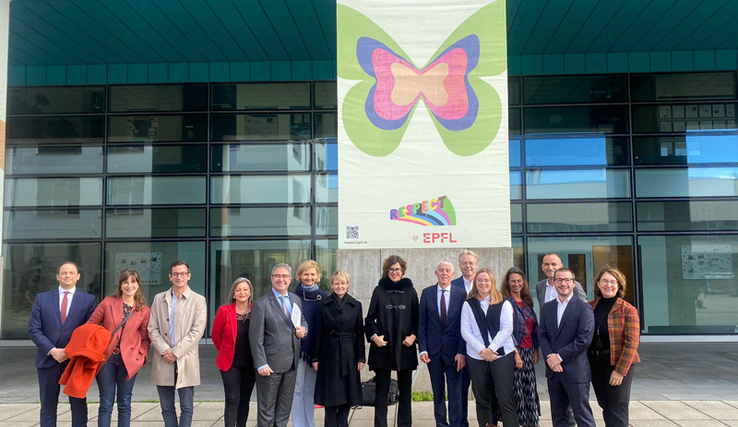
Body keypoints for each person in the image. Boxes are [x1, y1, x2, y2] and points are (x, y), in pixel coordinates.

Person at [28, 261, 96, 427]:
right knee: (48, 405)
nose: (67, 275)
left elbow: (89, 330)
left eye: (71, 273)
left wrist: (68, 351)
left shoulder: (88, 300)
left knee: (78, 404)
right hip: (48, 361)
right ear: (57, 276)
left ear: (78, 277)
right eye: (64, 273)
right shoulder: (42, 299)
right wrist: (52, 350)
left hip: (74, 361)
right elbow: (34, 329)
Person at [86, 268, 151, 427]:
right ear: (121, 285)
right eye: (125, 282)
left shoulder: (143, 310)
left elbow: (145, 338)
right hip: (106, 358)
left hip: (129, 360)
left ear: (138, 284)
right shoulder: (108, 303)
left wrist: (142, 355)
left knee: (124, 403)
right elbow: (90, 326)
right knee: (106, 403)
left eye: (133, 282)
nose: (129, 285)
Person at [148, 261, 208, 427]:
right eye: (175, 273)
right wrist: (166, 350)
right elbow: (152, 328)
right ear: (170, 276)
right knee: (166, 407)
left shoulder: (198, 300)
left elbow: (197, 331)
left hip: (186, 359)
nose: (179, 276)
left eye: (182, 273)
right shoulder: (159, 298)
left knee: (187, 406)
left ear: (189, 276)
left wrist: (176, 352)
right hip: (163, 358)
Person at [250, 263, 308, 427]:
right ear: (271, 278)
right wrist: (261, 363)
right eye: (277, 276)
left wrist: (304, 330)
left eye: (284, 276)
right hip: (270, 366)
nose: (280, 279)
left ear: (290, 279)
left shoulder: (295, 299)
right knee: (267, 411)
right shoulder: (262, 304)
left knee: (284, 409)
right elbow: (255, 338)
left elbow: (301, 321)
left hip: (291, 364)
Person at [365, 255, 419, 427]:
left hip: (405, 346)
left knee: (405, 390)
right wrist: (375, 337)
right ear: (386, 271)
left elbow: (418, 319)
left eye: (397, 269)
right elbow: (369, 319)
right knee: (381, 390)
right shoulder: (379, 291)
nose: (394, 272)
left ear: (403, 270)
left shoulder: (410, 291)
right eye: (391, 269)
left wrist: (413, 336)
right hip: (383, 347)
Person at [461, 268, 519, 427]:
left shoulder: (504, 302)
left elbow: (507, 329)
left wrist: (491, 349)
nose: (483, 283)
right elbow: (465, 331)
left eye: (486, 280)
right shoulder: (468, 304)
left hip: (501, 357)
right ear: (475, 283)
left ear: (492, 282)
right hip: (476, 357)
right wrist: (482, 351)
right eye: (479, 280)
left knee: (505, 398)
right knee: (482, 401)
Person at [538, 268, 596, 427]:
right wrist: (551, 358)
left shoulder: (584, 308)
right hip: (553, 372)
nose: (563, 283)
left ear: (573, 283)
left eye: (567, 280)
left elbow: (584, 339)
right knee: (559, 417)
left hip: (575, 372)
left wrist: (560, 357)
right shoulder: (547, 307)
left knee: (583, 416)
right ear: (554, 282)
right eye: (559, 280)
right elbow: (542, 334)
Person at [311, 271, 365, 427]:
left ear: (347, 285)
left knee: (348, 393)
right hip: (328, 353)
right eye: (336, 283)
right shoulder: (323, 305)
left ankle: (342, 423)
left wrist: (361, 357)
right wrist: (315, 358)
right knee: (330, 394)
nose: (339, 286)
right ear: (332, 285)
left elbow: (359, 333)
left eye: (342, 283)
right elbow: (317, 332)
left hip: (349, 353)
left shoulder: (356, 305)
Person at [588, 267, 640, 427]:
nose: (608, 285)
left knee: (617, 408)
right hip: (596, 363)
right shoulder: (590, 306)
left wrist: (619, 371)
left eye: (612, 281)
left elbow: (632, 343)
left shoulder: (627, 309)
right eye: (604, 281)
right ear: (598, 283)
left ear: (619, 285)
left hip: (617, 363)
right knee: (605, 405)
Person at [418, 261, 468, 427]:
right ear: (436, 273)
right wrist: (422, 348)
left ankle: (455, 424)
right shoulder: (427, 293)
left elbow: (464, 326)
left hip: (454, 352)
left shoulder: (461, 294)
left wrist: (462, 352)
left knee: (455, 393)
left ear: (453, 274)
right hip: (433, 352)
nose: (444, 273)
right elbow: (422, 323)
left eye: (448, 271)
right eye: (441, 271)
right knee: (438, 392)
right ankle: (441, 423)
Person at [212, 278, 257, 427]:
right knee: (232, 399)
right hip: (230, 363)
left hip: (251, 363)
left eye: (245, 289)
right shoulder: (224, 311)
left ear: (250, 292)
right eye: (238, 290)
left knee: (245, 400)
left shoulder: (256, 309)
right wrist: (226, 349)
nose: (242, 292)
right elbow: (215, 335)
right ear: (233, 294)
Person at [500, 267, 541, 427]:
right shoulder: (505, 302)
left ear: (523, 282)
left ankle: (532, 423)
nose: (516, 284)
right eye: (513, 281)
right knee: (517, 391)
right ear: (508, 283)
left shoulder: (527, 301)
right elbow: (506, 330)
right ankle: (518, 423)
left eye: (519, 280)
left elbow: (534, 328)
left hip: (529, 350)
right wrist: (516, 353)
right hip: (513, 351)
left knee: (530, 390)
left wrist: (536, 349)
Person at [292, 260, 328, 427]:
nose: (309, 277)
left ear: (318, 276)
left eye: (312, 274)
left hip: (317, 351)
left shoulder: (324, 297)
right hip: (299, 350)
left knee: (310, 390)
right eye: (306, 274)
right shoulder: (293, 297)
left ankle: (310, 423)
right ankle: (299, 424)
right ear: (300, 276)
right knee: (297, 389)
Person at [450, 250, 476, 427]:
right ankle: (461, 423)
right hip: (459, 346)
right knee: (459, 390)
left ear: (476, 264)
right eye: (465, 263)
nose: (468, 266)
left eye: (471, 263)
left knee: (484, 390)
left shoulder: (484, 283)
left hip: (482, 347)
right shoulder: (452, 286)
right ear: (460, 265)